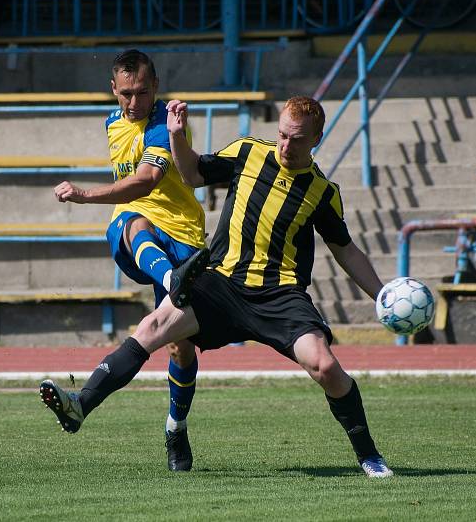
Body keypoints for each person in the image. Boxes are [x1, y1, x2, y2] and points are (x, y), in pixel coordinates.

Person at [40, 95, 394, 478]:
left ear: (317, 138)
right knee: (153, 327)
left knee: (325, 366)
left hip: (280, 295)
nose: (286, 146)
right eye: (282, 135)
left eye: (297, 139)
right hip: (222, 282)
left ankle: (369, 455)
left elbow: (347, 251)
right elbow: (192, 174)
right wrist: (176, 136)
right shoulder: (248, 152)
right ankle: (80, 405)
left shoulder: (323, 192)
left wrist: (383, 296)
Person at [45, 49, 210, 472]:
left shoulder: (164, 121)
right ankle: (173, 278)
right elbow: (136, 197)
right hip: (148, 239)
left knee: (179, 347)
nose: (133, 102)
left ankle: (176, 428)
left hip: (184, 235)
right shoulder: (112, 123)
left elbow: (147, 179)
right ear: (113, 91)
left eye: (140, 92)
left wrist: (85, 194)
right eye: (125, 94)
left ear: (155, 87)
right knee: (131, 222)